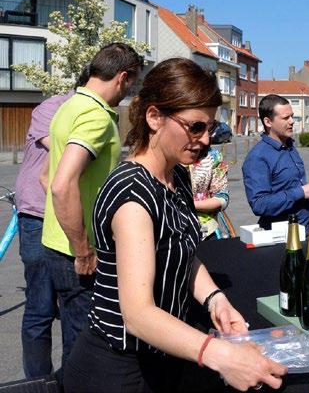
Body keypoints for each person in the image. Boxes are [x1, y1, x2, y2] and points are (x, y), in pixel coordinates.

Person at [64, 58, 286, 392]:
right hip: (118, 370)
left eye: (210, 128)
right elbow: (138, 315)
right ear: (154, 117)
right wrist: (222, 355)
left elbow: (183, 252)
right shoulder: (132, 195)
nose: (206, 139)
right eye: (195, 127)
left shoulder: (177, 176)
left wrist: (215, 300)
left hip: (161, 358)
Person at [41, 43, 144, 373]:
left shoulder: (68, 107)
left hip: (56, 244)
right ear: (122, 77)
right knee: (85, 347)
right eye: (132, 85)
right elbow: (61, 184)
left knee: (74, 337)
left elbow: (47, 176)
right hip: (77, 252)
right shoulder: (97, 117)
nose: (128, 94)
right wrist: (83, 249)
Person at [14, 68, 89, 378]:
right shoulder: (53, 107)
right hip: (38, 215)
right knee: (41, 308)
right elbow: (62, 150)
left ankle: (70, 380)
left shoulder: (94, 115)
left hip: (70, 218)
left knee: (75, 311)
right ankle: (39, 381)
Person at [242, 94, 309, 229]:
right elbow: (259, 204)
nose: (292, 121)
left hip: (305, 230)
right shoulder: (258, 157)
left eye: (292, 116)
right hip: (282, 238)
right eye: (286, 118)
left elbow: (287, 189)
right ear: (268, 122)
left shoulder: (289, 147)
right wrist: (301, 192)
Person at [190, 146, 235, 240]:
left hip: (206, 230)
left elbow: (222, 196)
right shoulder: (162, 154)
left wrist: (191, 204)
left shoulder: (213, 156)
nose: (205, 138)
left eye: (209, 131)